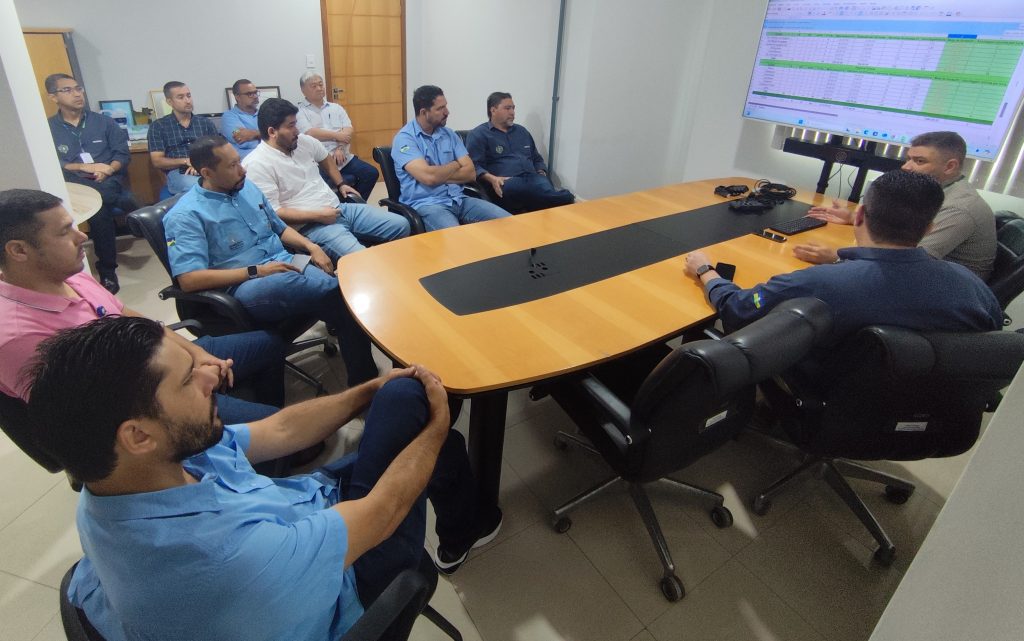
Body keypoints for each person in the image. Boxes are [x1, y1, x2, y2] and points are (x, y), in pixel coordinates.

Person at [28, 315, 502, 641]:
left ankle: (460, 503)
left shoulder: (119, 479)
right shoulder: (229, 558)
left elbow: (280, 431)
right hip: (346, 579)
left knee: (401, 406)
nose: (212, 376)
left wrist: (369, 389)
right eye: (188, 380)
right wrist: (437, 427)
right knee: (417, 413)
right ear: (137, 435)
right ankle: (465, 522)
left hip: (290, 517)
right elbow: (383, 512)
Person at [0, 188, 285, 424]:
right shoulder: (17, 336)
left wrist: (196, 354)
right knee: (284, 428)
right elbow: (88, 416)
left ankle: (253, 443)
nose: (82, 237)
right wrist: (187, 381)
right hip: (144, 410)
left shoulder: (70, 276)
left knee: (270, 343)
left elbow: (129, 317)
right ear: (19, 250)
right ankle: (250, 443)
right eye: (64, 232)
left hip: (158, 365)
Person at [683, 170, 1003, 340]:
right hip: (934, 407)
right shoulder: (971, 286)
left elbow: (738, 309)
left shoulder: (817, 283)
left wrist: (706, 271)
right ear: (929, 228)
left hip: (833, 394)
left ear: (859, 215)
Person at [164, 135, 379, 387]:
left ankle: (364, 381)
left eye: (239, 161)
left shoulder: (246, 187)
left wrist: (312, 247)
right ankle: (366, 384)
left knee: (342, 298)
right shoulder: (186, 215)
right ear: (206, 173)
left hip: (285, 262)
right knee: (335, 291)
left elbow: (279, 227)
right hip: (246, 284)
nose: (243, 169)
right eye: (232, 166)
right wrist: (257, 271)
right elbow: (188, 280)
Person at [796, 131, 997, 280]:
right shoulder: (931, 191)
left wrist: (837, 258)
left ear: (950, 166)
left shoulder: (959, 208)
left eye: (919, 161)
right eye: (908, 159)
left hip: (942, 294)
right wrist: (853, 217)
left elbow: (905, 262)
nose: (906, 167)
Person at [243, 99, 408, 261]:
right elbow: (275, 213)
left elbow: (325, 158)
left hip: (338, 209)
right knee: (361, 259)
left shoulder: (303, 142)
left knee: (402, 225)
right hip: (310, 226)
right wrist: (318, 215)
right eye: (291, 126)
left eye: (296, 124)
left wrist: (340, 183)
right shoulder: (257, 164)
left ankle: (382, 266)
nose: (297, 131)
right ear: (272, 132)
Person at [45, 73, 138, 294]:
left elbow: (122, 154)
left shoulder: (104, 122)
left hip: (107, 180)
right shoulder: (48, 128)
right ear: (53, 97)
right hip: (74, 186)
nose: (77, 94)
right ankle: (108, 269)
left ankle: (107, 271)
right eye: (68, 90)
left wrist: (108, 169)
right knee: (101, 207)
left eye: (78, 88)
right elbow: (50, 162)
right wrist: (82, 167)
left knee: (102, 206)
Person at [392, 85, 511, 231]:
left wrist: (437, 175)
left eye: (446, 106)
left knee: (511, 223)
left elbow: (470, 173)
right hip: (429, 205)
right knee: (457, 239)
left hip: (459, 199)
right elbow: (429, 178)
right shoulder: (405, 139)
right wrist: (455, 164)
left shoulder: (449, 134)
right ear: (424, 112)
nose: (447, 112)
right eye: (440, 108)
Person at [466, 92, 575, 212]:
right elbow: (474, 166)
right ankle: (564, 197)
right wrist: (493, 179)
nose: (512, 112)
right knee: (535, 191)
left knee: (541, 186)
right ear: (493, 110)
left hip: (533, 178)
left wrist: (541, 172)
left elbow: (536, 158)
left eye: (513, 108)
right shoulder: (479, 134)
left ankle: (552, 198)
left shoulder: (522, 131)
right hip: (507, 182)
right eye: (507, 108)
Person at [296, 71, 380, 201]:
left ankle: (352, 205)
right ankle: (337, 206)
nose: (319, 88)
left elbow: (348, 129)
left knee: (371, 173)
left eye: (321, 84)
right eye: (314, 86)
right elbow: (310, 133)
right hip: (319, 161)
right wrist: (337, 135)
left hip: (343, 157)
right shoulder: (300, 111)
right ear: (303, 90)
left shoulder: (336, 107)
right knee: (318, 188)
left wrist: (340, 147)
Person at [146, 81, 219, 195]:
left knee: (231, 181)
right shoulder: (158, 126)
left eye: (188, 96)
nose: (187, 100)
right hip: (179, 171)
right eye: (181, 97)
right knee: (198, 187)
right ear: (169, 102)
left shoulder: (205, 123)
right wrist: (186, 161)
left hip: (206, 167)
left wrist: (199, 164)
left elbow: (217, 150)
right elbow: (157, 161)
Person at [220, 78, 261, 159]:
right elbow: (241, 139)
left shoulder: (264, 114)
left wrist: (255, 134)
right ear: (237, 97)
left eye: (255, 93)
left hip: (269, 158)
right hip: (246, 161)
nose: (255, 96)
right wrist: (265, 136)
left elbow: (277, 138)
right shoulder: (229, 117)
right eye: (250, 94)